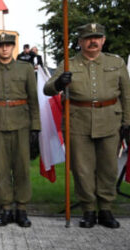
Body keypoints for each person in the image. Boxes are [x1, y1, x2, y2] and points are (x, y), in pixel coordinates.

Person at [45, 22, 130, 228]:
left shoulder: (116, 63)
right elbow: (48, 89)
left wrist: (127, 122)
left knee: (108, 168)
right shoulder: (69, 63)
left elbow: (127, 95)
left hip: (110, 120)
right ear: (80, 42)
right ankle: (89, 210)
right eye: (88, 38)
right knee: (82, 169)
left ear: (103, 40)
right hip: (78, 121)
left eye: (97, 37)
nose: (93, 41)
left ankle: (106, 209)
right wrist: (59, 83)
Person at [0, 32, 40, 227]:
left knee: (22, 168)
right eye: (1, 45)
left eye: (8, 45)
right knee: (1, 168)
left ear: (13, 47)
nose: (4, 48)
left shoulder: (26, 69)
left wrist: (35, 126)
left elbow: (33, 99)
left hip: (21, 123)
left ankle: (21, 209)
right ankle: (5, 209)